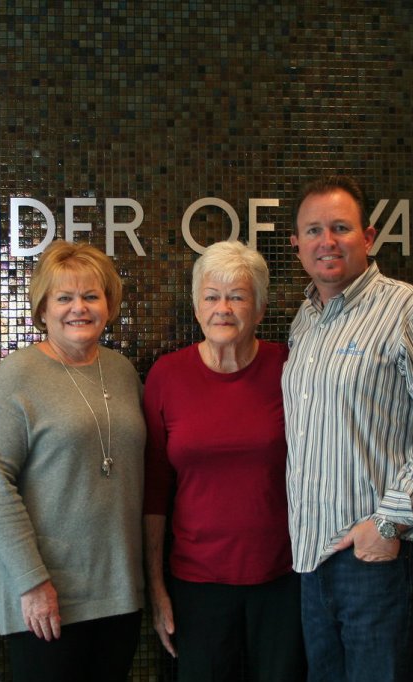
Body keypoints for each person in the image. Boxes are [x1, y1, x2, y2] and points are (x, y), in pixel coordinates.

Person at [283, 175, 413, 682]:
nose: (327, 241)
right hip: (315, 559)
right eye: (314, 230)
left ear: (368, 238)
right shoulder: (305, 320)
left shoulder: (407, 310)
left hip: (384, 558)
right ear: (296, 244)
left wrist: (389, 523)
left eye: (341, 228)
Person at [0, 240, 146, 682]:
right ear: (42, 308)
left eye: (91, 296)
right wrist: (31, 583)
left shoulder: (122, 371)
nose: (78, 308)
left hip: (118, 592)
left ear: (108, 303)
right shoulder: (18, 374)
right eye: (64, 297)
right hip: (47, 600)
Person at [142, 240, 306, 682]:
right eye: (212, 296)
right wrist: (156, 588)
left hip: (282, 578)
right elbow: (154, 492)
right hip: (197, 585)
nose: (223, 308)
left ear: (259, 307)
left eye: (237, 296)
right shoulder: (166, 376)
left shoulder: (289, 369)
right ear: (196, 306)